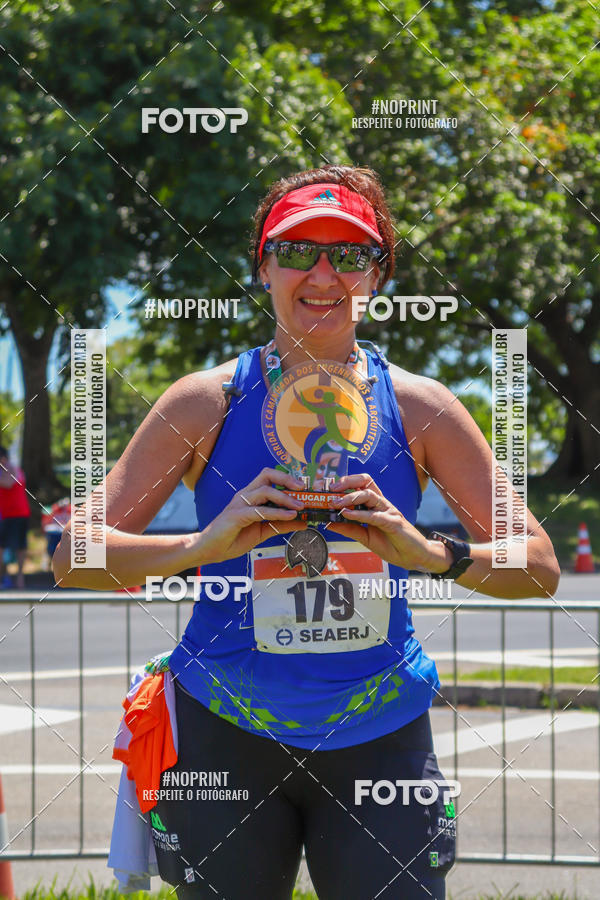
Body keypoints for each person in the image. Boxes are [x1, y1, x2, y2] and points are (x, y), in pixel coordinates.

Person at [53, 165, 560, 899]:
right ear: (262, 265)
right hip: (224, 730)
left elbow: (538, 565)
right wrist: (204, 547)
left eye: (350, 255)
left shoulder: (422, 408)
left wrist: (430, 555)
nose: (323, 273)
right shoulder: (206, 403)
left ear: (380, 276)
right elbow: (75, 556)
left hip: (378, 733)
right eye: (296, 250)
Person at [0, 445, 31, 589]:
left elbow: (8, 483)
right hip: (7, 515)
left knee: (19, 547)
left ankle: (19, 578)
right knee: (3, 547)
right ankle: (5, 577)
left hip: (18, 514)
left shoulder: (11, 468)